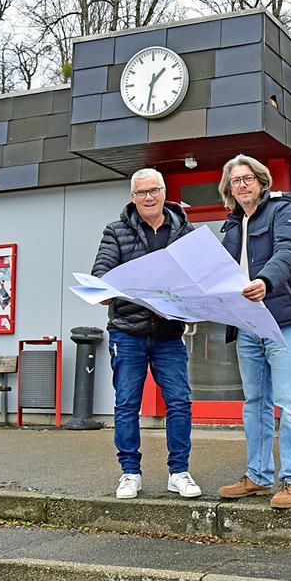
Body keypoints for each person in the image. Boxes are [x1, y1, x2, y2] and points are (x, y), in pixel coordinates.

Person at [91, 168, 201, 500]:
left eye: (154, 190)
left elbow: (199, 276)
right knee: (127, 404)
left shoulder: (185, 231)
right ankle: (130, 473)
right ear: (133, 197)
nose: (149, 197)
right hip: (128, 332)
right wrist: (105, 290)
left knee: (179, 402)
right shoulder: (116, 231)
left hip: (169, 333)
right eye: (141, 192)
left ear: (164, 192)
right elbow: (101, 272)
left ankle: (179, 472)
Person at [215, 155, 291, 509]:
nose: (242, 185)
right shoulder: (231, 225)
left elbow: (290, 251)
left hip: (280, 319)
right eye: (235, 181)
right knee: (255, 402)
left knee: (288, 401)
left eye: (248, 178)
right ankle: (258, 476)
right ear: (229, 189)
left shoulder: (282, 209)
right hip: (245, 322)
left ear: (261, 181)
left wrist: (265, 280)